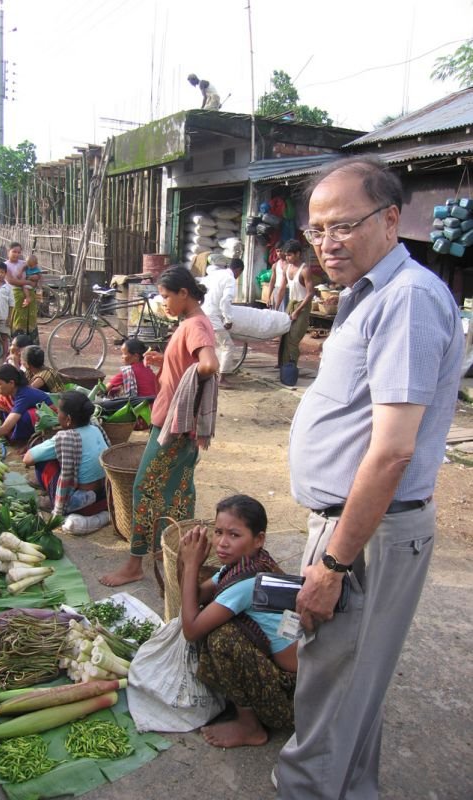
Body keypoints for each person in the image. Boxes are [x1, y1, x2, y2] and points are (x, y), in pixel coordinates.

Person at [274, 155, 464, 799]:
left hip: (366, 534)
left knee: (331, 685)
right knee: (349, 685)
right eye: (317, 230)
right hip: (351, 524)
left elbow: (391, 454)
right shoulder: (368, 294)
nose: (327, 243)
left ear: (389, 220)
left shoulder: (406, 299)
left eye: (343, 226)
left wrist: (332, 563)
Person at [100, 265, 219, 587]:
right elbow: (189, 366)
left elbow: (208, 365)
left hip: (174, 425)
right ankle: (179, 557)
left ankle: (135, 563)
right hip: (180, 425)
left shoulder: (196, 325)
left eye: (166, 296)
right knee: (178, 491)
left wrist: (187, 389)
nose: (163, 302)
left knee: (145, 488)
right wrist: (164, 362)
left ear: (184, 293)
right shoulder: (191, 323)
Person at [179, 494, 297, 748]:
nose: (221, 543)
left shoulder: (246, 584)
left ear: (259, 539)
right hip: (289, 675)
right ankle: (247, 713)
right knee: (216, 617)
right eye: (218, 532)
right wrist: (190, 561)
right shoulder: (246, 563)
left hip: (293, 696)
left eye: (234, 535)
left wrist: (190, 567)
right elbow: (199, 594)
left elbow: (191, 629)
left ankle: (250, 726)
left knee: (221, 637)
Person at [23, 390, 109, 515]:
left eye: (58, 412)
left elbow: (27, 459)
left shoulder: (65, 437)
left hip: (79, 500)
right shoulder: (95, 428)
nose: (57, 415)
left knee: (44, 461)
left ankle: (52, 501)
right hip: (102, 492)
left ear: (68, 419)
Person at [199, 258, 244, 386]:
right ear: (238, 270)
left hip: (201, 312)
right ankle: (222, 378)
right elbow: (225, 301)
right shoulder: (230, 279)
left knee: (215, 345)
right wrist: (228, 319)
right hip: (212, 315)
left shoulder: (215, 274)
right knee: (228, 346)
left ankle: (213, 373)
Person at [276, 240, 315, 368]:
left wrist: (297, 311)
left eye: (290, 255)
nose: (287, 258)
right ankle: (282, 364)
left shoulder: (305, 270)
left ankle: (291, 367)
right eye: (286, 255)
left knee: (293, 338)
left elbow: (310, 294)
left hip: (302, 306)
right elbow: (282, 288)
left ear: (298, 254)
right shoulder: (286, 267)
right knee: (284, 335)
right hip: (291, 304)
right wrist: (276, 307)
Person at [4, 242, 38, 343]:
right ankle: (16, 342)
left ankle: (31, 342)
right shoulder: (5, 265)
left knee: (30, 318)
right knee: (17, 319)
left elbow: (36, 274)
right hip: (14, 295)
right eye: (14, 251)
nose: (16, 254)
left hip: (29, 294)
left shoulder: (24, 263)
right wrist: (28, 282)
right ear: (8, 252)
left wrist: (35, 279)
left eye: (19, 252)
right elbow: (11, 281)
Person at [266, 246, 288, 311]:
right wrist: (268, 297)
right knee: (276, 312)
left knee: (285, 313)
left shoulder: (290, 264)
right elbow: (272, 281)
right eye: (277, 251)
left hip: (287, 291)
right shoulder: (275, 265)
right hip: (277, 290)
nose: (279, 253)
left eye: (281, 251)